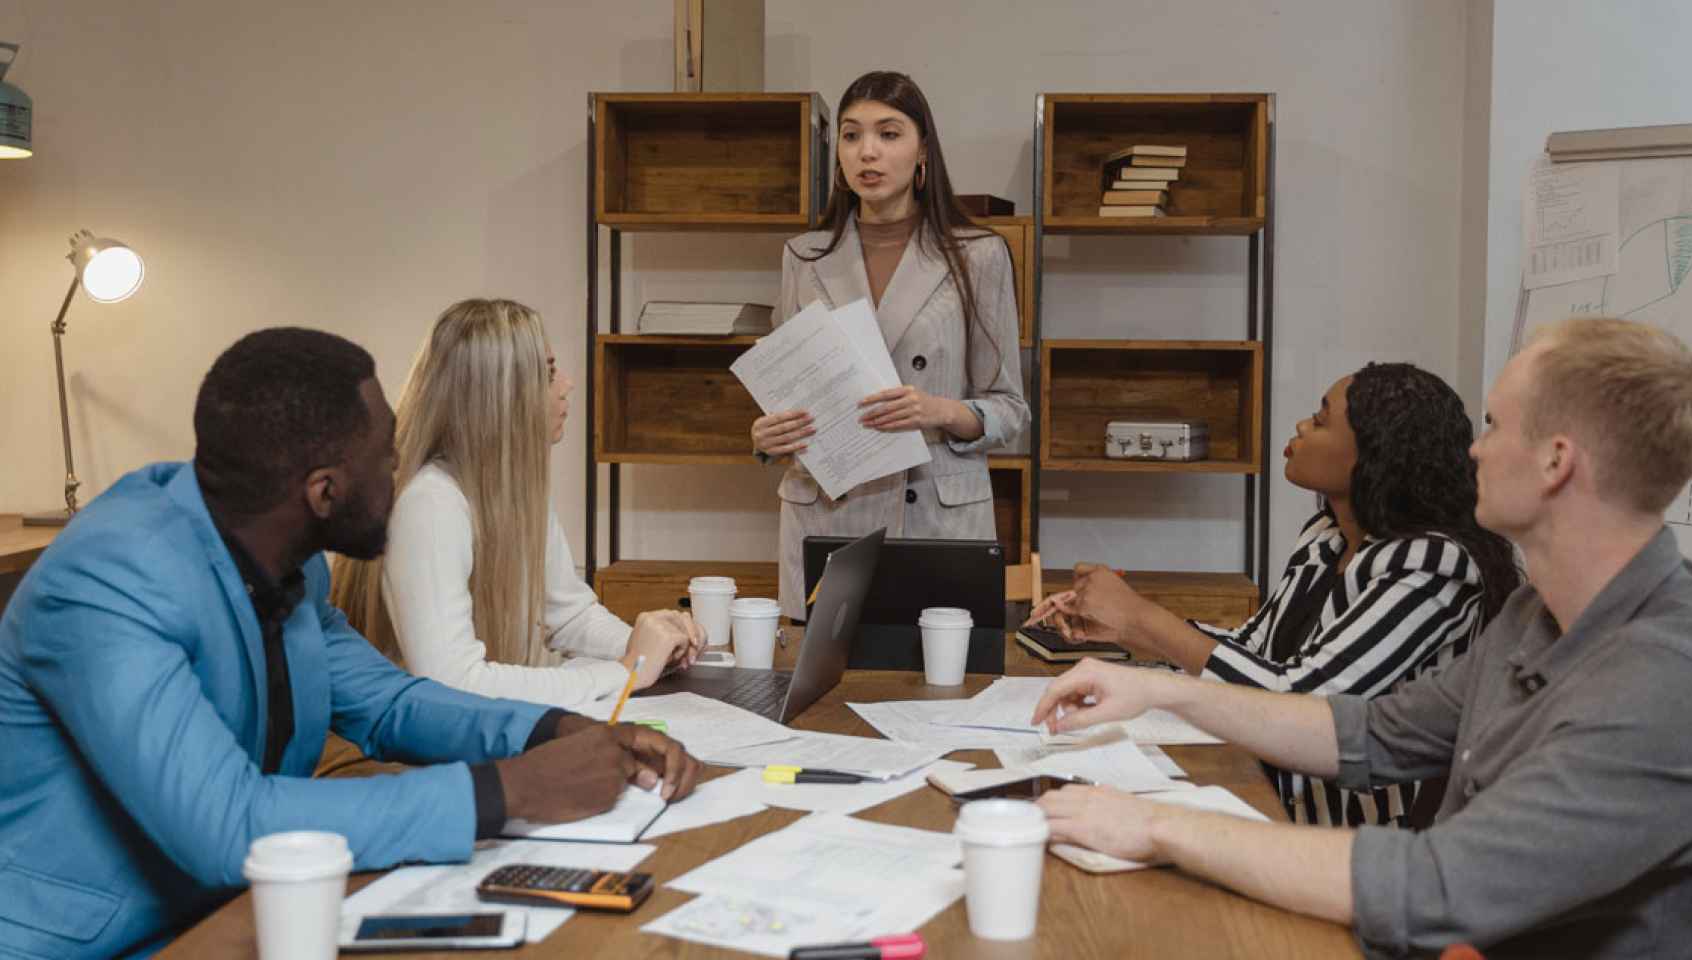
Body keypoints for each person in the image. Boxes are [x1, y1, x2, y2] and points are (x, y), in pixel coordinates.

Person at [0, 328, 702, 959]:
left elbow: (389, 705)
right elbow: (228, 825)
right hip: (99, 940)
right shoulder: (108, 580)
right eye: (388, 459)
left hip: (242, 909)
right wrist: (509, 789)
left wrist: (553, 730)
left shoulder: (285, 558)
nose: (403, 476)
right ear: (324, 490)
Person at [1030, 317, 1692, 957]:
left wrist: (1153, 828)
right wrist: (1152, 687)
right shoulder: (1537, 612)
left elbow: (1442, 887)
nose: (1474, 448)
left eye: (1495, 425)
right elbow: (1371, 732)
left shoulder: (1665, 681)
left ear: (1555, 463)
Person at [1028, 363, 1521, 826]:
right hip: (1274, 794)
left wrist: (1142, 618)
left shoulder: (1433, 564)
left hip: (1359, 835)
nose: (1302, 427)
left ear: (1374, 453)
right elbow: (1252, 651)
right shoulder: (1327, 537)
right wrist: (1128, 636)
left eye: (1322, 420)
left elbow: (1302, 701)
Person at [329, 299, 703, 709]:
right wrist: (625, 670)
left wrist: (653, 648)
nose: (567, 384)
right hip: (412, 744)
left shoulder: (512, 489)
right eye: (547, 373)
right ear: (500, 395)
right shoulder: (430, 504)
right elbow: (454, 682)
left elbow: (571, 617)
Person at [750, 69, 1029, 619]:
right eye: (851, 136)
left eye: (889, 133)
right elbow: (787, 393)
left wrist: (938, 409)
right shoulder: (803, 257)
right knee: (820, 698)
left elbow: (1011, 411)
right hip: (828, 518)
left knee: (935, 697)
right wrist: (767, 435)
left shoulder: (979, 255)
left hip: (934, 515)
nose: (867, 152)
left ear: (923, 149)